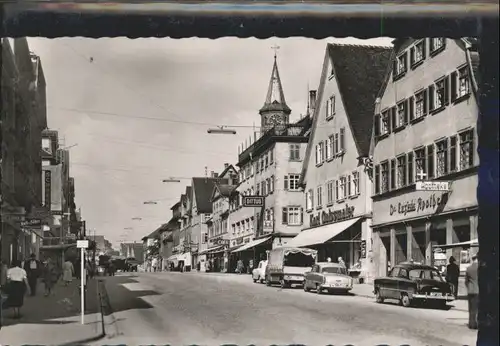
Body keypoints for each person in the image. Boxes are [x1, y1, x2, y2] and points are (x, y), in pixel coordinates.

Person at [465, 253, 479, 330]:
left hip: (470, 291)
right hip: (478, 291)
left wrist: (469, 287)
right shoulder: (480, 268)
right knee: (477, 308)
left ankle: (471, 323)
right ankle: (476, 324)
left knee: (471, 308)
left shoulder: (468, 268)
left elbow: (466, 281)